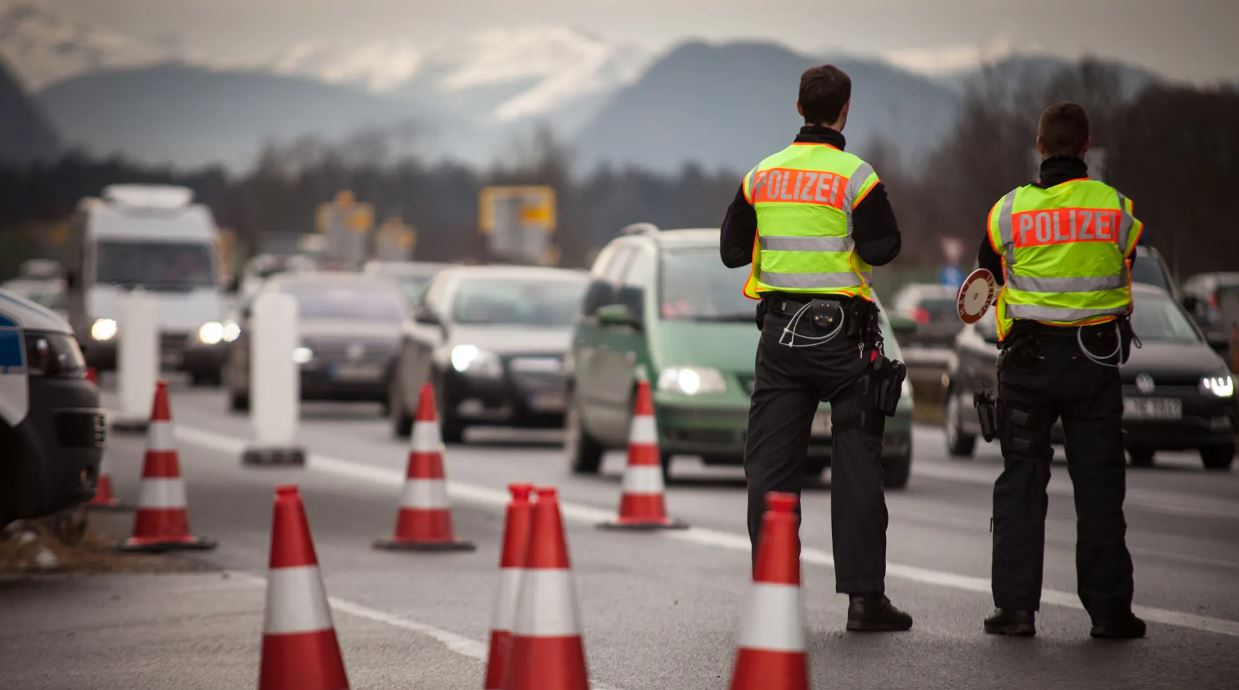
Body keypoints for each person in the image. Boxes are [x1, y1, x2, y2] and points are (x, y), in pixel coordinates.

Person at [720, 65, 910, 632]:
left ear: (798, 106)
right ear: (844, 109)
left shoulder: (762, 174)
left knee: (771, 470)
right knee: (855, 465)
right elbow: (886, 245)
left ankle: (773, 595)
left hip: (780, 338)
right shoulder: (856, 176)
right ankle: (863, 601)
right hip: (843, 340)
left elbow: (732, 251)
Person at [979, 101, 1147, 639]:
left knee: (1021, 486)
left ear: (1039, 145)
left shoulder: (1008, 212)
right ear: (1086, 144)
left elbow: (989, 271)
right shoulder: (1117, 209)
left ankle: (1015, 610)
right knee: (1099, 488)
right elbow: (1127, 264)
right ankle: (1109, 612)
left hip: (1027, 364)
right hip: (1093, 364)